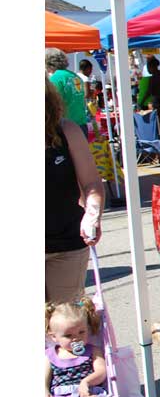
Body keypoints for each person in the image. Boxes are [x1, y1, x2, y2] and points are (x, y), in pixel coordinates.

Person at [46, 78, 104, 304]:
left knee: (67, 326)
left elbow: (91, 182)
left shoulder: (66, 130)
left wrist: (93, 214)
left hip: (67, 244)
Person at [46, 48, 89, 139]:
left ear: (48, 63)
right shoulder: (75, 76)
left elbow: (52, 103)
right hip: (81, 123)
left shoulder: (55, 78)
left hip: (66, 126)